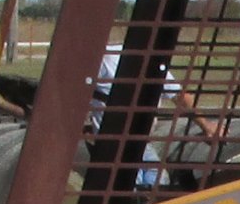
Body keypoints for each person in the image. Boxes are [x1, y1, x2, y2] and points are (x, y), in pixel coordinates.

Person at [89, 44, 224, 188]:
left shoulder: (147, 62)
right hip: (117, 142)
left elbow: (179, 96)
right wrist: (206, 125)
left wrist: (206, 126)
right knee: (146, 186)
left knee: (155, 181)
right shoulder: (109, 59)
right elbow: (180, 97)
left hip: (135, 142)